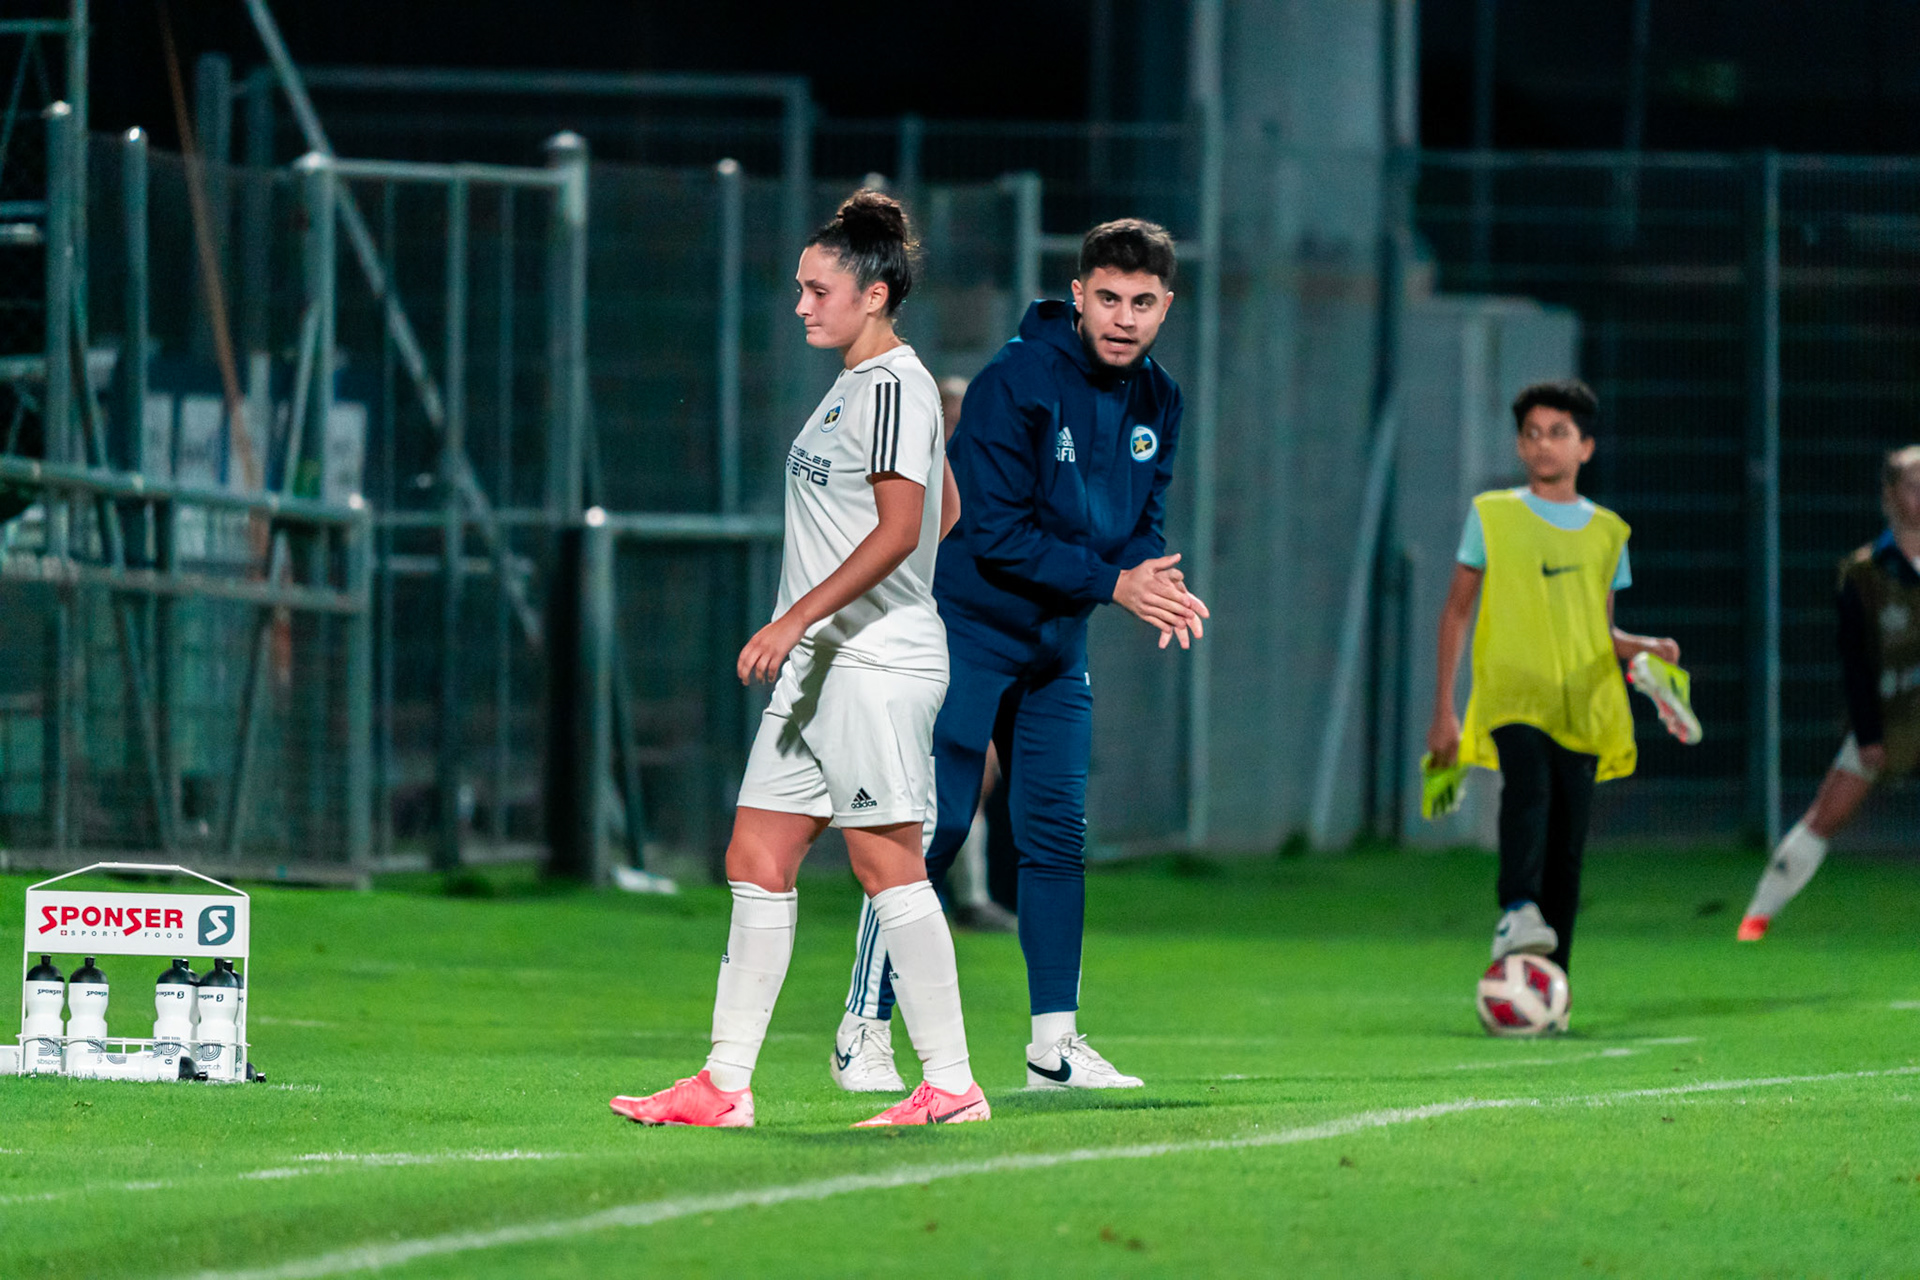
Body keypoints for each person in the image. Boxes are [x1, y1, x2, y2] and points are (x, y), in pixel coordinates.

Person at [610, 191, 987, 1129]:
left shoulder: (896, 383)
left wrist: (795, 618)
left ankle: (952, 1084)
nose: (801, 306)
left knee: (884, 865)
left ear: (877, 292)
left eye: (819, 290)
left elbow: (905, 533)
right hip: (824, 661)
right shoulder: (856, 386)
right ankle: (723, 1084)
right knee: (757, 853)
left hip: (871, 660)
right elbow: (941, 515)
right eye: (799, 288)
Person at [831, 218, 1207, 1094]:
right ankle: (863, 1029)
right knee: (933, 825)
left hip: (1055, 642)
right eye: (1107, 298)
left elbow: (1139, 522)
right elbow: (991, 532)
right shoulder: (1015, 381)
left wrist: (1151, 576)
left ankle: (1054, 1047)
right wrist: (1115, 584)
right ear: (1077, 296)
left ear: (1166, 307)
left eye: (1142, 303)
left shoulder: (1163, 400)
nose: (1123, 318)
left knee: (1054, 838)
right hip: (967, 627)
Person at [1427, 379, 1684, 983]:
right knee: (1529, 792)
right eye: (1532, 434)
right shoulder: (1492, 515)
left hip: (1584, 703)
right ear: (1519, 446)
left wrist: (1646, 648)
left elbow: (1597, 631)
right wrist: (1444, 708)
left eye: (1559, 434)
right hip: (1515, 695)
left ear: (1586, 448)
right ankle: (1516, 909)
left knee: (1568, 850)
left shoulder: (1609, 533)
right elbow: (1457, 610)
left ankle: (1552, 982)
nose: (1544, 445)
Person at [1739, 445, 1920, 940]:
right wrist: (1868, 733)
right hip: (1891, 715)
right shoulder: (1864, 572)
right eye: (1913, 484)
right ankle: (1754, 920)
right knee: (1828, 813)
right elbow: (1856, 663)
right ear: (1889, 496)